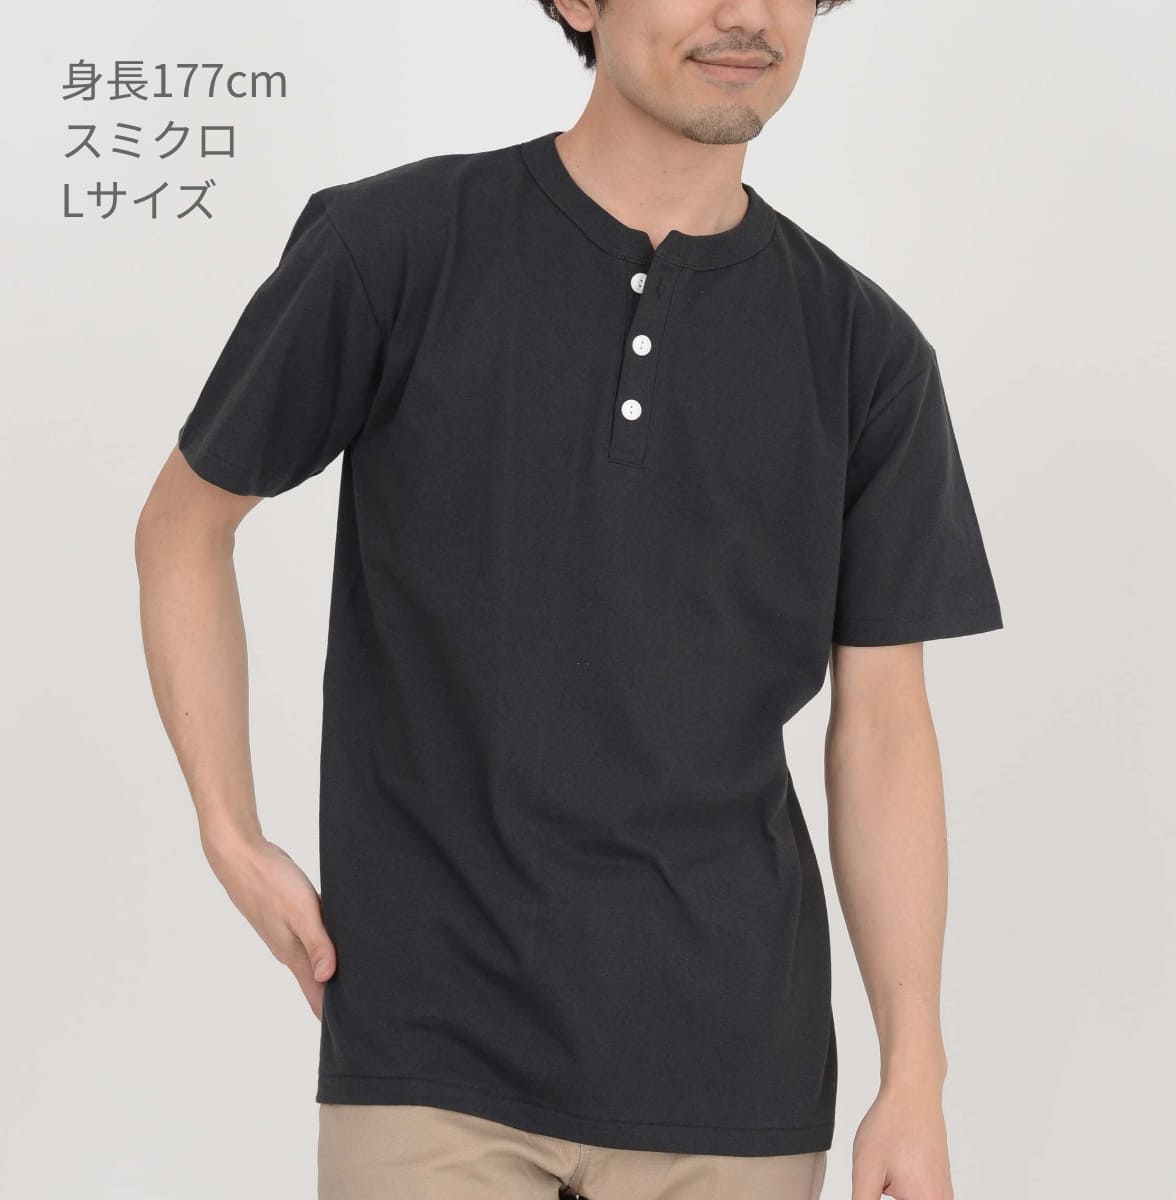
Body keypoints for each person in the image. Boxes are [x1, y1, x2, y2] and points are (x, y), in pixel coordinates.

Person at [135, 1, 1003, 1197]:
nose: (745, 16)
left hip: (735, 1077)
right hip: (430, 1056)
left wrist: (915, 1071)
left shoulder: (867, 351)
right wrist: (228, 832)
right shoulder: (397, 246)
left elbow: (887, 727)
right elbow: (185, 526)